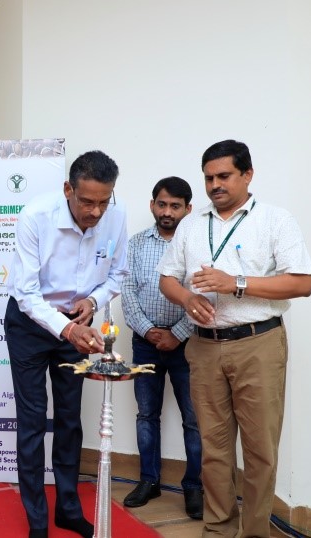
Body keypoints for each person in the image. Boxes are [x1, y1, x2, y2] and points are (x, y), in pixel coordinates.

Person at [157, 140, 311, 537]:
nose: (215, 185)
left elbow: (302, 283)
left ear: (248, 174)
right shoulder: (192, 225)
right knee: (215, 448)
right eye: (209, 178)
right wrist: (188, 297)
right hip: (204, 347)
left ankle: (257, 531)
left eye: (224, 176)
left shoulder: (276, 220)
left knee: (260, 451)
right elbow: (166, 279)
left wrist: (236, 283)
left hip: (257, 344)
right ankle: (218, 529)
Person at [4, 150, 129, 538]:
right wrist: (67, 329)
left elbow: (117, 274)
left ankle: (68, 509)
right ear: (67, 190)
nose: (95, 212)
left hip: (78, 323)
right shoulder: (35, 217)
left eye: (103, 202)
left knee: (70, 421)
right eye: (87, 201)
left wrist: (92, 302)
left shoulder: (116, 215)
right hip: (29, 325)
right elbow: (26, 294)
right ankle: (37, 521)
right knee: (31, 423)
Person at [120, 176, 203, 519]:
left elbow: (206, 296)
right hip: (145, 344)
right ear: (152, 204)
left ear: (188, 209)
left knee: (193, 419)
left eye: (175, 206)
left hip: (187, 345)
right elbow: (127, 292)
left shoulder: (197, 245)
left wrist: (178, 333)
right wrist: (150, 331)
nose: (167, 212)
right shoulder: (136, 244)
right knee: (146, 415)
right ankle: (149, 480)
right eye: (162, 204)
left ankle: (194, 486)